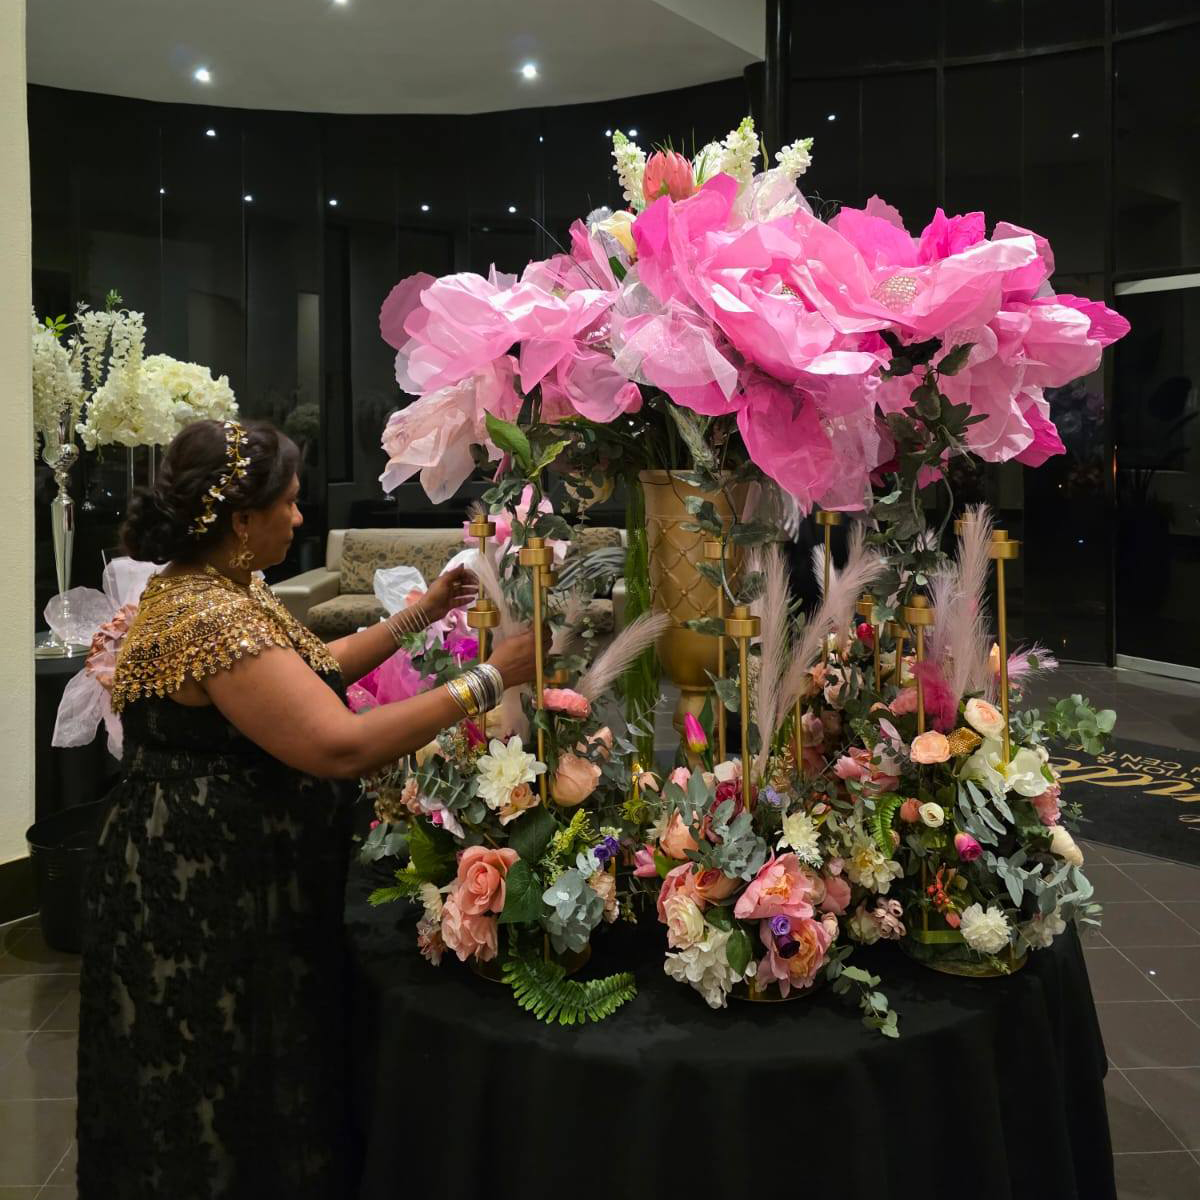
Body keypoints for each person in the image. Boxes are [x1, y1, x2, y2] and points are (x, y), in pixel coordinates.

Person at [76, 419, 536, 1199]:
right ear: (239, 520)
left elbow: (314, 668)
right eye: (288, 505)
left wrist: (422, 611)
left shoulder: (219, 584)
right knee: (213, 1078)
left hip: (223, 863)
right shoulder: (208, 617)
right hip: (198, 882)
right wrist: (490, 679)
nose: (300, 518)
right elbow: (340, 746)